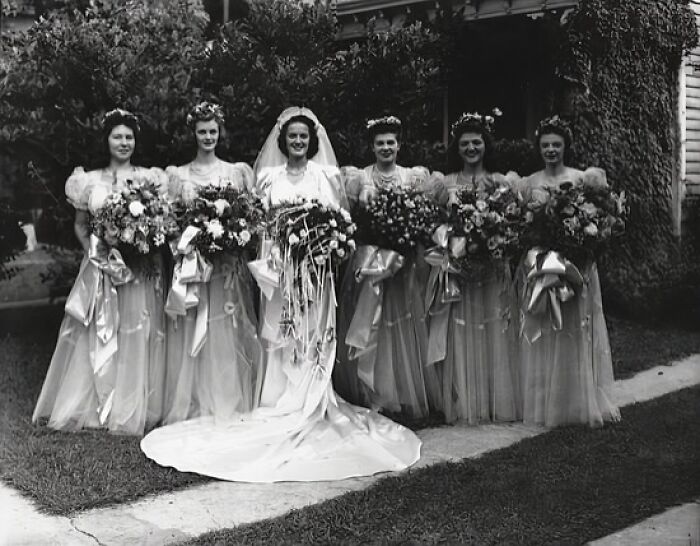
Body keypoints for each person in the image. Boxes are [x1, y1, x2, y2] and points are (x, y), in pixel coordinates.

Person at [140, 107, 421, 482]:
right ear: (283, 141)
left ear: (313, 140)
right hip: (280, 271)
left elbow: (338, 221)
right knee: (279, 334)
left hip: (316, 273)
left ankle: (314, 397)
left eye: (304, 136)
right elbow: (261, 226)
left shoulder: (325, 176)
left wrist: (320, 245)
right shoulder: (269, 178)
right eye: (293, 137)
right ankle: (277, 398)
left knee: (311, 334)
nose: (299, 142)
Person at [32, 108, 168, 435]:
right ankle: (94, 406)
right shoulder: (87, 181)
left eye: (129, 137)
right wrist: (96, 255)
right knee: (96, 333)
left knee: (136, 331)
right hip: (100, 267)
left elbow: (157, 224)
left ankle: (133, 404)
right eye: (117, 136)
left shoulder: (149, 179)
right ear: (106, 141)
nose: (124, 142)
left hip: (137, 268)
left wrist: (139, 246)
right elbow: (80, 225)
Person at [516, 115, 620, 427]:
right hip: (544, 266)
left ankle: (577, 401)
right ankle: (548, 400)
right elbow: (524, 226)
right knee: (547, 329)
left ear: (566, 147)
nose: (550, 150)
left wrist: (581, 248)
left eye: (556, 145)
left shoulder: (580, 179)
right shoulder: (528, 183)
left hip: (575, 266)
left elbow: (597, 223)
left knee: (575, 329)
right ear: (539, 148)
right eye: (545, 144)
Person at [336, 115, 441, 419]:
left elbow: (421, 217)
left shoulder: (412, 176)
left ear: (399, 144)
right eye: (380, 143)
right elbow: (354, 219)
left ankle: (404, 391)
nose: (385, 147)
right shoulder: (360, 177)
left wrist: (403, 239)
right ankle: (372, 391)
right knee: (373, 322)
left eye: (390, 142)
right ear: (372, 146)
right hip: (372, 260)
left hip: (403, 262)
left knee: (403, 321)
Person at [162, 102, 261, 424]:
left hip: (226, 266)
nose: (208, 137)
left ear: (220, 133)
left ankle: (229, 396)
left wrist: (232, 239)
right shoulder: (179, 176)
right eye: (202, 131)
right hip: (196, 265)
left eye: (213, 131)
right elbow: (173, 225)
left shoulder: (235, 172)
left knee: (227, 326)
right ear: (194, 133)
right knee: (197, 325)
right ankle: (197, 396)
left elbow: (249, 219)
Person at [425, 112, 521, 424]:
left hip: (491, 266)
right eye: (465, 143)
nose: (471, 148)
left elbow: (511, 222)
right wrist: (452, 244)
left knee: (493, 327)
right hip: (459, 269)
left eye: (476, 142)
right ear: (457, 147)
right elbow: (433, 223)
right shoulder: (445, 183)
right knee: (461, 330)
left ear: (485, 145)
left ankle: (496, 398)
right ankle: (463, 398)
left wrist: (492, 238)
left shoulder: (500, 182)